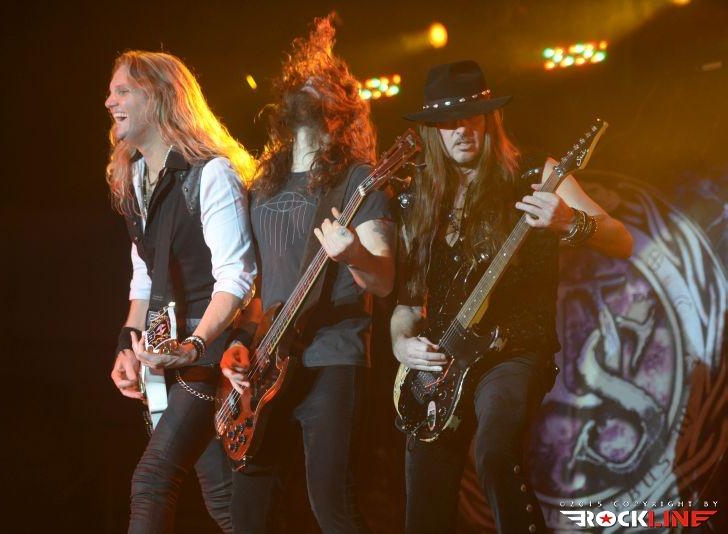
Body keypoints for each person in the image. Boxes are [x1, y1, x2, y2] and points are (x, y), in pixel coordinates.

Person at [390, 60, 633, 533]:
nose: (462, 130)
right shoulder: (418, 198)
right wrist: (402, 344)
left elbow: (620, 239)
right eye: (448, 122)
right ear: (432, 131)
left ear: (490, 119)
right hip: (443, 362)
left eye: (471, 117)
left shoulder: (536, 174)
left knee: (495, 453)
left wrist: (569, 221)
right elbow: (406, 304)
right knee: (424, 502)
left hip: (513, 350)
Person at [219, 15, 396, 533]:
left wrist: (353, 255)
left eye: (324, 81)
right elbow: (257, 287)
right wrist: (241, 342)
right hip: (265, 365)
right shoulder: (263, 182)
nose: (309, 84)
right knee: (248, 512)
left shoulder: (360, 180)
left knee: (331, 505)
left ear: (342, 108)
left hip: (330, 358)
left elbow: (383, 280)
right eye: (303, 77)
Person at [105, 50, 257, 533]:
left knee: (152, 480)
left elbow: (236, 278)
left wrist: (193, 345)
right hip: (165, 350)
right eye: (111, 92)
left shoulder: (211, 173)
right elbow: (144, 276)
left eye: (123, 91)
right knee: (224, 500)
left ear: (159, 97)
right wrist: (127, 344)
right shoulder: (133, 177)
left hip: (209, 350)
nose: (109, 102)